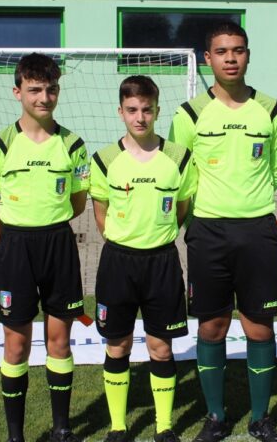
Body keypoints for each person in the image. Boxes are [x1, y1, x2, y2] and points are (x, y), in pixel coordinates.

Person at [169, 22, 277, 442]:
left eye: (238, 50)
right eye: (222, 52)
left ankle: (260, 419)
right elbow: (180, 175)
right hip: (207, 232)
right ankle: (216, 417)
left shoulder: (272, 110)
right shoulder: (189, 114)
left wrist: (247, 203)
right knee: (212, 327)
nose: (231, 58)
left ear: (248, 55)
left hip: (258, 230)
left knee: (259, 327)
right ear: (208, 58)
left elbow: (276, 171)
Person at [0, 53, 89, 442]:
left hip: (58, 244)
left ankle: (62, 428)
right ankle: (16, 435)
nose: (44, 97)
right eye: (35, 89)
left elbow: (77, 202)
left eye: (51, 89)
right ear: (18, 92)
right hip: (16, 248)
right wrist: (3, 237)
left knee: (60, 340)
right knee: (16, 344)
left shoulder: (72, 144)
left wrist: (49, 223)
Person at [89, 75, 196, 442]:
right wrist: (127, 238)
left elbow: (182, 208)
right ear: (120, 111)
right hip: (118, 263)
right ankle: (118, 427)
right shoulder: (104, 159)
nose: (140, 117)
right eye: (132, 110)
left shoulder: (178, 158)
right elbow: (100, 213)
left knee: (160, 348)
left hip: (162, 263)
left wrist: (156, 236)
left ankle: (164, 427)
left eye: (146, 110)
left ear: (157, 111)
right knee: (117, 345)